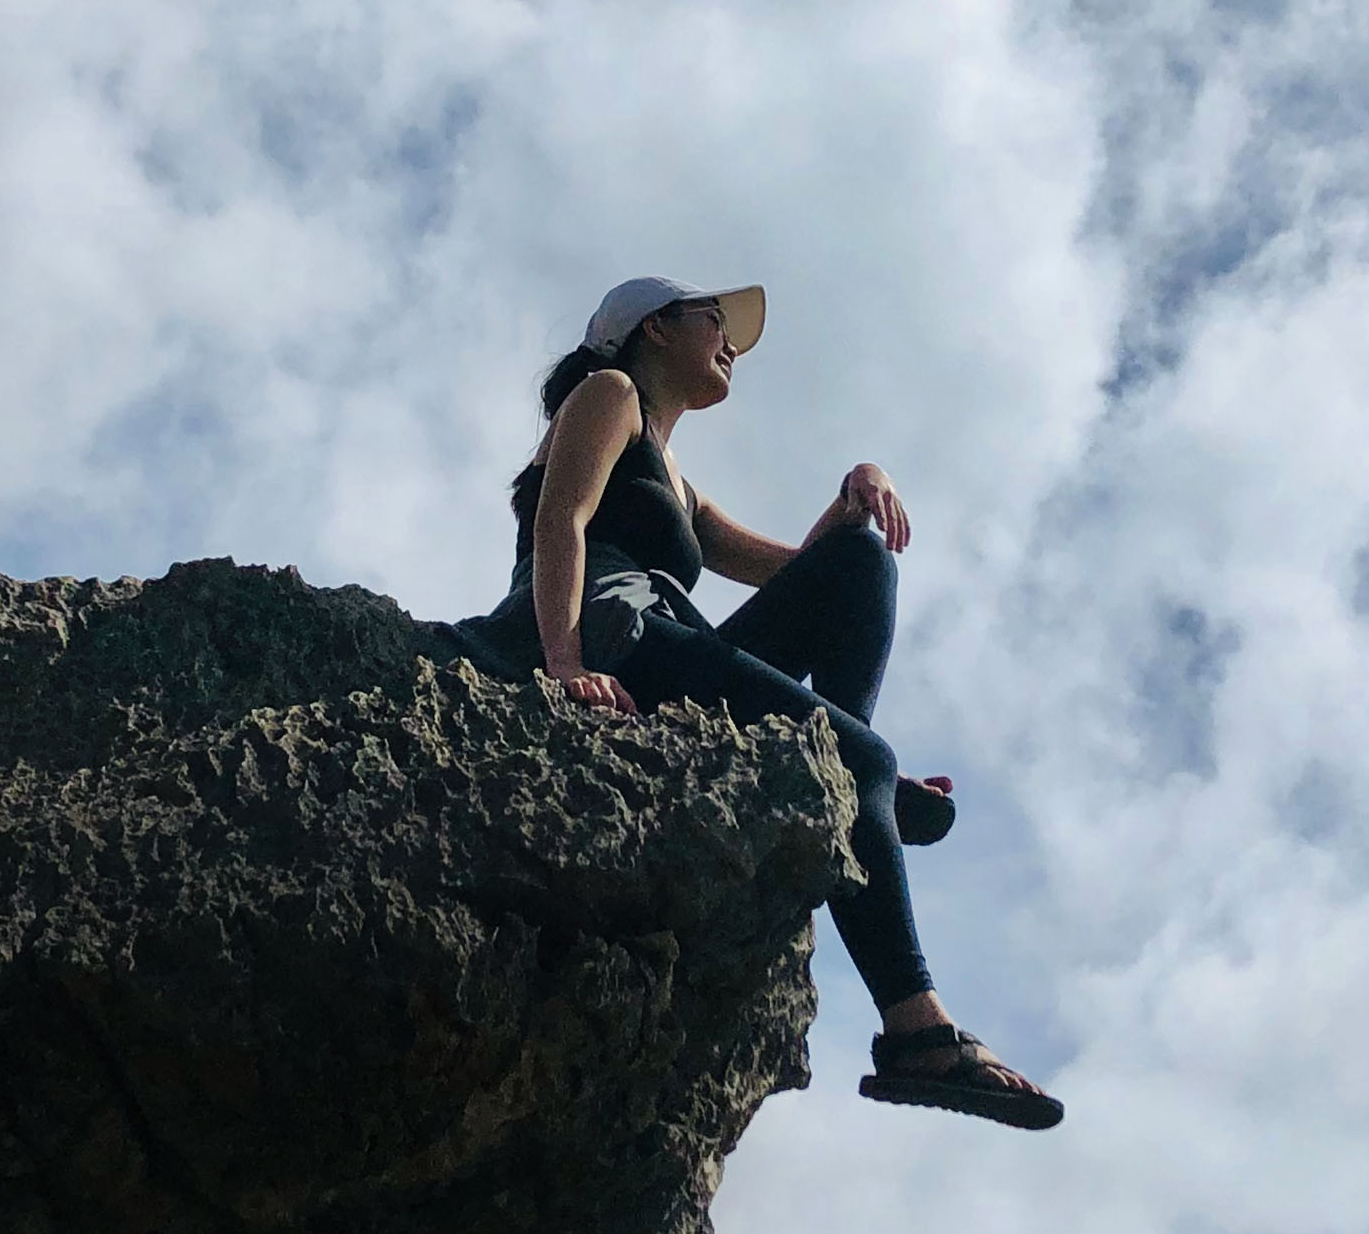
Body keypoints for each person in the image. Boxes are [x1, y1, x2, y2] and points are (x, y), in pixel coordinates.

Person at [447, 276, 1061, 1130]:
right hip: (614, 635)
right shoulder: (608, 393)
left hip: (674, 646)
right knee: (862, 760)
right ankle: (918, 1031)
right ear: (656, 329)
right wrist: (564, 664)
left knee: (863, 562)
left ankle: (854, 775)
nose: (730, 341)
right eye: (715, 321)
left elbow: (801, 572)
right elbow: (563, 521)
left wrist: (859, 489)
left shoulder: (677, 479)